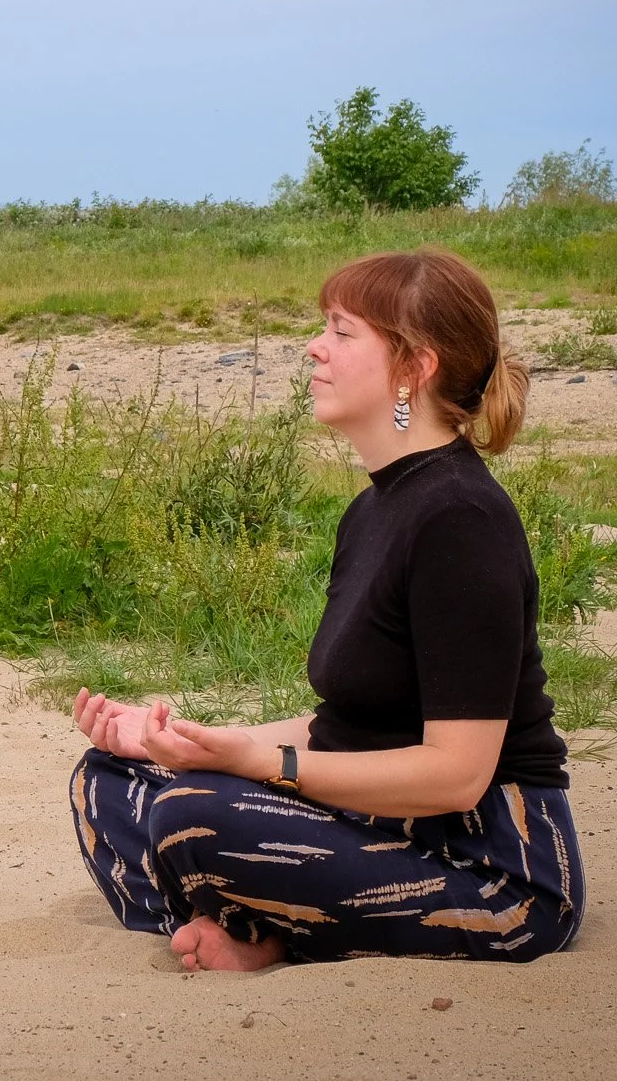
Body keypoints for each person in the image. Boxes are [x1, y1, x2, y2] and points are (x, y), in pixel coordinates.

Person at [69, 247, 583, 970]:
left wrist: (265, 763)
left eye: (343, 331)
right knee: (115, 779)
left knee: (189, 816)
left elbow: (459, 773)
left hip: (491, 868)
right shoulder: (372, 511)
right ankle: (262, 929)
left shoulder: (461, 519)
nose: (316, 346)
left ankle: (263, 932)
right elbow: (347, 729)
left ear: (415, 367)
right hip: (384, 825)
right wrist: (194, 739)